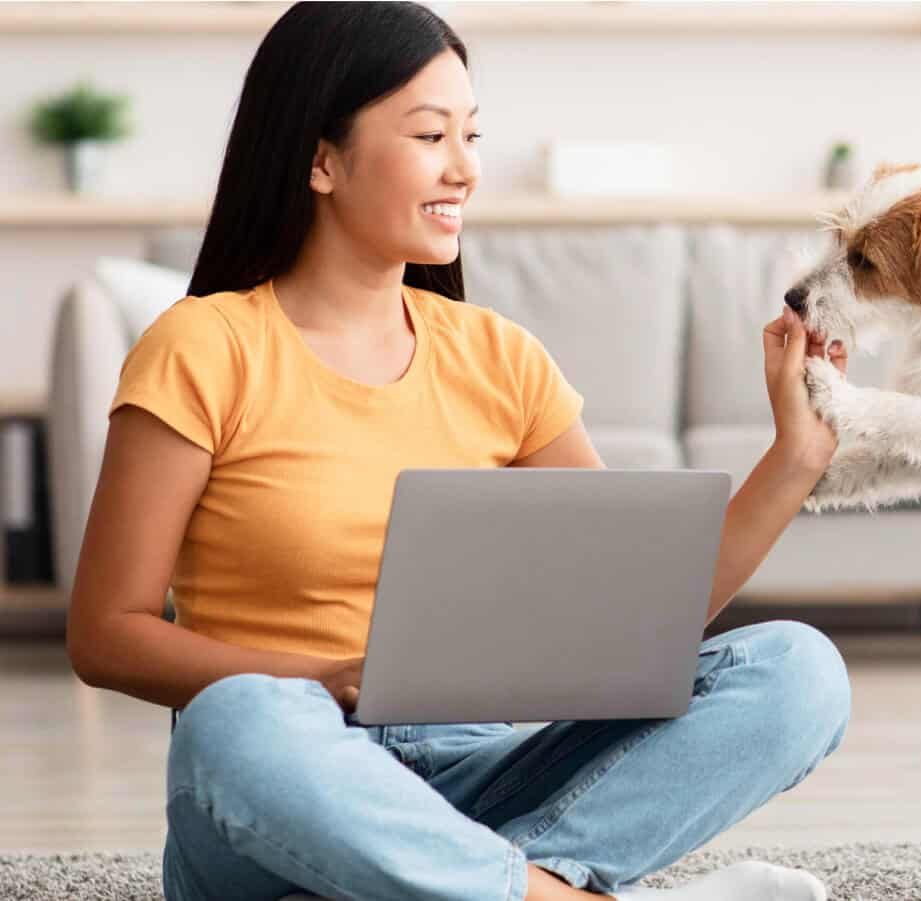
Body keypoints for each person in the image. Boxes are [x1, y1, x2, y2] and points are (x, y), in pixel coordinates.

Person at [64, 4, 852, 900]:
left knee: (798, 669)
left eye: (471, 134)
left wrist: (797, 456)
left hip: (480, 778)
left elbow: (633, 618)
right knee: (234, 722)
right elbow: (106, 635)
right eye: (431, 134)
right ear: (322, 158)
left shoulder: (499, 357)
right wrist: (322, 677)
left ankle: (475, 884)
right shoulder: (203, 346)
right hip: (288, 784)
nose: (466, 167)